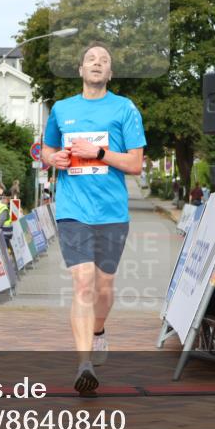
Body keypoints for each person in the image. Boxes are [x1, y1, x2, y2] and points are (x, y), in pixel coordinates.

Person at [41, 42, 146, 395]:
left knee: (103, 286)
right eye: (91, 60)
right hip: (73, 210)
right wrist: (51, 159)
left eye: (104, 61)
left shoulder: (125, 109)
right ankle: (83, 363)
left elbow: (134, 164)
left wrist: (97, 152)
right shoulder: (61, 109)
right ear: (81, 70)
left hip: (112, 212)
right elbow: (46, 149)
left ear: (110, 73)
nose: (97, 64)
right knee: (83, 283)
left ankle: (99, 331)